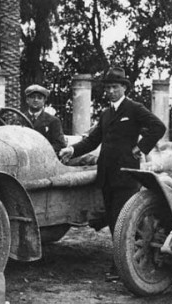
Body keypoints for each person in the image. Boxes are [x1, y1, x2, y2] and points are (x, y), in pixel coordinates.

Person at [59, 67, 166, 279]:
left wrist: (140, 148)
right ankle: (124, 262)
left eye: (115, 87)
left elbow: (158, 127)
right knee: (113, 221)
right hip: (107, 175)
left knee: (122, 221)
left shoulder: (134, 108)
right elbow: (92, 140)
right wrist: (72, 150)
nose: (111, 91)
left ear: (124, 88)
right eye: (108, 87)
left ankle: (122, 268)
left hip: (127, 175)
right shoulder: (106, 113)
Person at [23, 84, 66, 154]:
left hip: (44, 157)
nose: (36, 100)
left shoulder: (53, 121)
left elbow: (60, 144)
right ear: (27, 100)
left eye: (39, 98)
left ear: (44, 101)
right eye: (32, 97)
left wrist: (40, 151)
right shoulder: (19, 119)